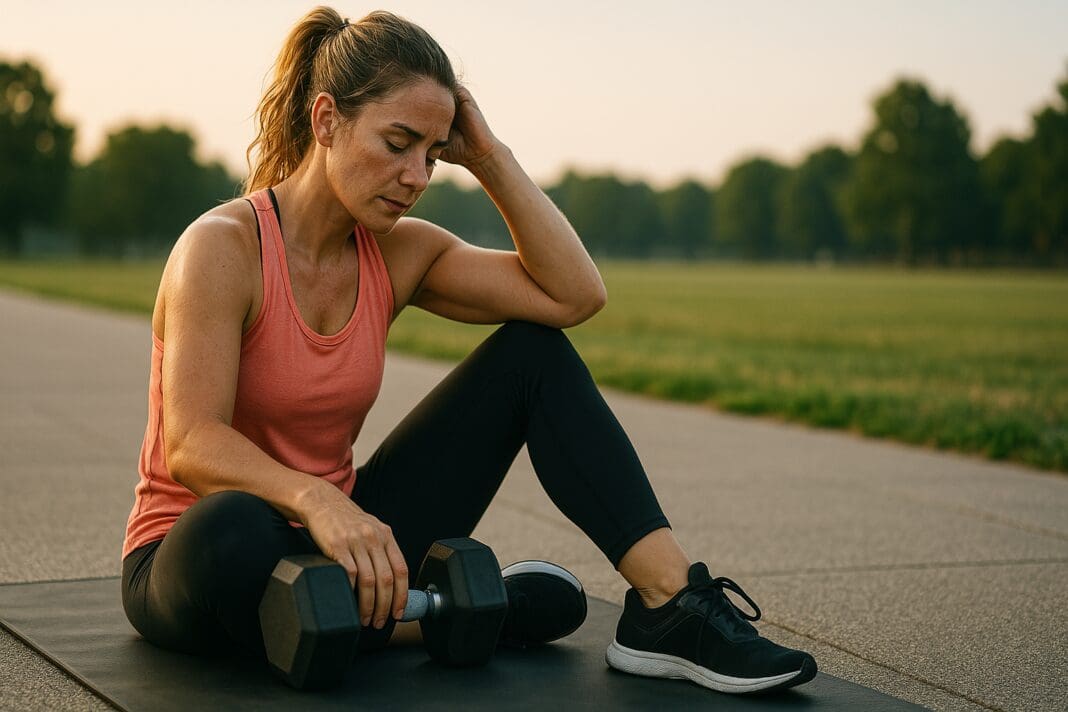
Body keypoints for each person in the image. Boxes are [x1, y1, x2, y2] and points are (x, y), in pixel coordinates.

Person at [120, 6, 817, 696]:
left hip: (343, 544)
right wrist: (318, 503)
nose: (418, 176)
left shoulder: (400, 253)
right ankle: (441, 615)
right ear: (326, 119)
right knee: (234, 528)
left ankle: (669, 606)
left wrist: (486, 155)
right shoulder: (222, 248)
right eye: (398, 143)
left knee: (531, 356)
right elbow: (191, 441)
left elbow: (574, 297)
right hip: (196, 555)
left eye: (433, 153)